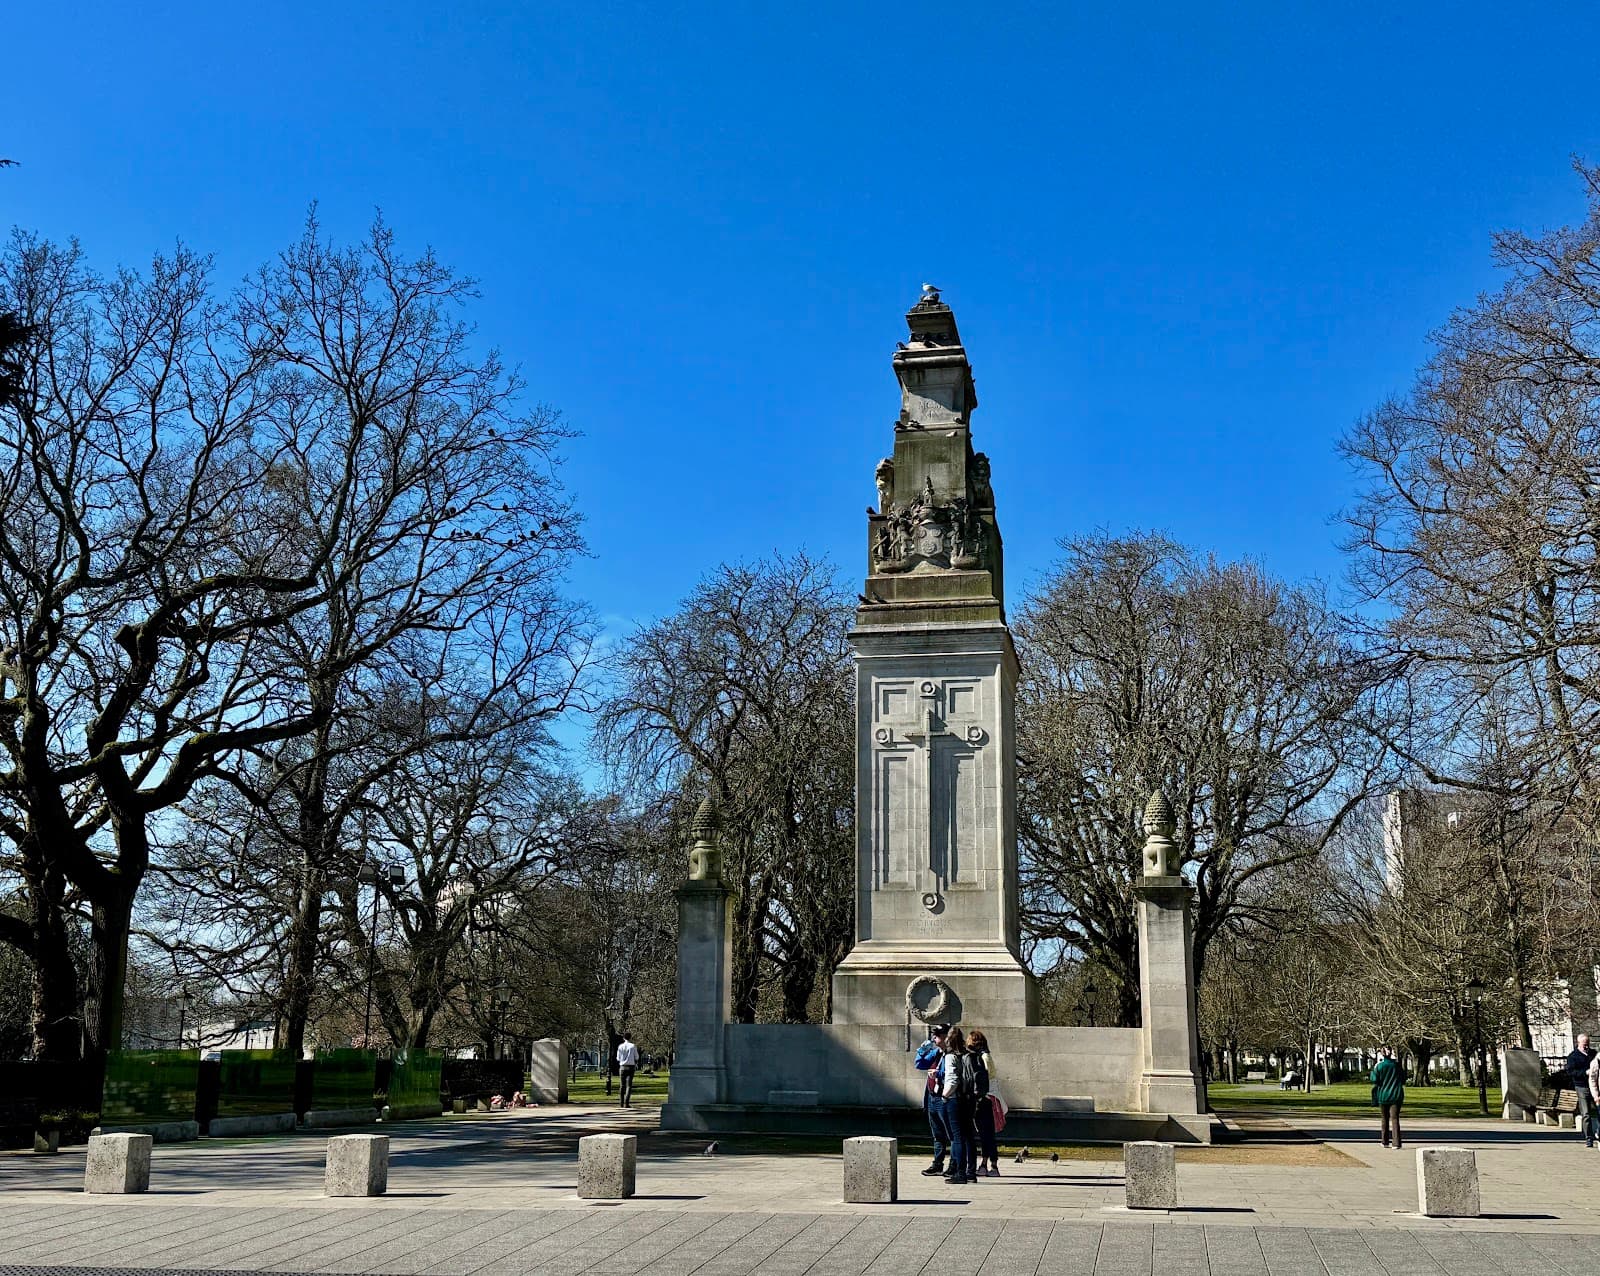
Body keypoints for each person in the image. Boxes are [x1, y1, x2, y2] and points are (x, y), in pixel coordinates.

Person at [939, 1023, 976, 1185]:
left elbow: (952, 1079)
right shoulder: (966, 1054)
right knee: (968, 1135)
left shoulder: (950, 1056)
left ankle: (960, 1172)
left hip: (954, 1099)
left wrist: (944, 1095)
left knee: (957, 1137)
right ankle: (970, 1172)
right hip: (967, 1098)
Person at [917, 1024, 952, 1177]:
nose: (933, 1038)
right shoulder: (936, 1052)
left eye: (937, 1036)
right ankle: (937, 1164)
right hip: (932, 1097)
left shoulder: (951, 1054)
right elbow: (919, 1063)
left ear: (946, 1037)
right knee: (937, 1134)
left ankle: (955, 1164)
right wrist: (921, 1050)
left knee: (951, 1134)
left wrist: (938, 1074)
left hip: (944, 1098)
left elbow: (953, 1076)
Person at [966, 1029, 999, 1177]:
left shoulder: (982, 1057)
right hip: (987, 1097)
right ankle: (990, 1164)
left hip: (984, 1098)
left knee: (986, 1133)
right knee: (987, 1133)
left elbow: (985, 1077)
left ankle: (988, 1164)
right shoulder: (984, 1056)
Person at [1370, 1046, 1407, 1149]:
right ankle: (1396, 1143)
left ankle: (1384, 1141)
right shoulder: (1397, 1066)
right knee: (1395, 1119)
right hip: (1396, 1095)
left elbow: (1374, 1080)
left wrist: (1373, 1070)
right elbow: (1403, 1079)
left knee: (1384, 1118)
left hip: (1383, 1095)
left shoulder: (1379, 1066)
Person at [1568, 1033, 1597, 1147]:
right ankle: (1589, 1138)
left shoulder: (1593, 1054)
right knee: (1586, 1113)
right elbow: (1571, 1072)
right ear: (1578, 1043)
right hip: (1582, 1086)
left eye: (1588, 1044)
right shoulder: (1573, 1056)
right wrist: (1584, 1073)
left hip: (1595, 1086)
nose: (1586, 1047)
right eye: (1584, 1044)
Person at [616, 1033, 641, 1108]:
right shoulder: (633, 1046)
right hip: (630, 1067)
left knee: (622, 1085)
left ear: (623, 1038)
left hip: (622, 1067)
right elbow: (637, 1057)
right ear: (630, 1038)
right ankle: (626, 1103)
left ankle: (621, 1102)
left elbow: (618, 1058)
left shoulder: (620, 1046)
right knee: (629, 1085)